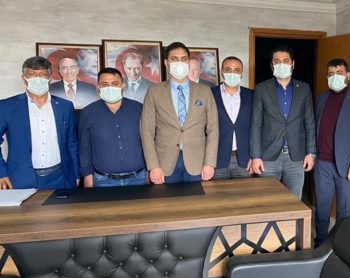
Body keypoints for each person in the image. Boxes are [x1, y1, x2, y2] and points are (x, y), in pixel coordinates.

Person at [140, 41, 219, 184]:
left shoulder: (204, 91)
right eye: (174, 59)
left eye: (184, 59)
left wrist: (210, 163)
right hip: (164, 164)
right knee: (167, 199)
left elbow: (213, 129)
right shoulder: (154, 92)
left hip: (198, 163)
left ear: (188, 62)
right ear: (166, 63)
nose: (179, 63)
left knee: (197, 198)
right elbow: (147, 131)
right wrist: (153, 166)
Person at [0, 56, 79, 190]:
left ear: (50, 78)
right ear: (24, 78)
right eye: (32, 74)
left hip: (60, 177)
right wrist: (1, 173)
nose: (37, 79)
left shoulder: (65, 106)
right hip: (20, 178)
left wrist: (75, 173)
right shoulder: (7, 107)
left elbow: (72, 143)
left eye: (42, 74)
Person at [250, 45, 316, 198]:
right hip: (268, 157)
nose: (281, 64)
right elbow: (256, 124)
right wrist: (255, 156)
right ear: (272, 65)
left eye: (285, 61)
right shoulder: (261, 89)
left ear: (293, 64)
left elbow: (310, 123)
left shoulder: (304, 89)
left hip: (296, 157)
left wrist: (311, 153)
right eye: (277, 61)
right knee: (267, 202)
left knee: (294, 201)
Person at [314, 58, 350, 246]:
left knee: (344, 212)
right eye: (331, 74)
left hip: (347, 167)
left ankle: (340, 246)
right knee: (322, 210)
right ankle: (320, 244)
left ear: (348, 75)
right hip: (323, 164)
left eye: (339, 73)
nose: (334, 77)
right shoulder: (321, 98)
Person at [79, 67, 147, 187]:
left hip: (139, 178)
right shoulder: (88, 112)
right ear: (98, 87)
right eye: (105, 84)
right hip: (104, 181)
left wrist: (151, 170)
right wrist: (87, 176)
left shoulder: (138, 109)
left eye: (115, 84)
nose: (110, 88)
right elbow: (84, 148)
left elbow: (148, 142)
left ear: (123, 85)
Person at [212, 56, 253, 179]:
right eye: (228, 69)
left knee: (244, 192)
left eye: (236, 70)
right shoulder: (210, 93)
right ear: (222, 72)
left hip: (244, 160)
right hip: (216, 160)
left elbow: (256, 127)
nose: (232, 73)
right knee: (216, 192)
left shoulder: (251, 95)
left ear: (241, 73)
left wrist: (255, 156)